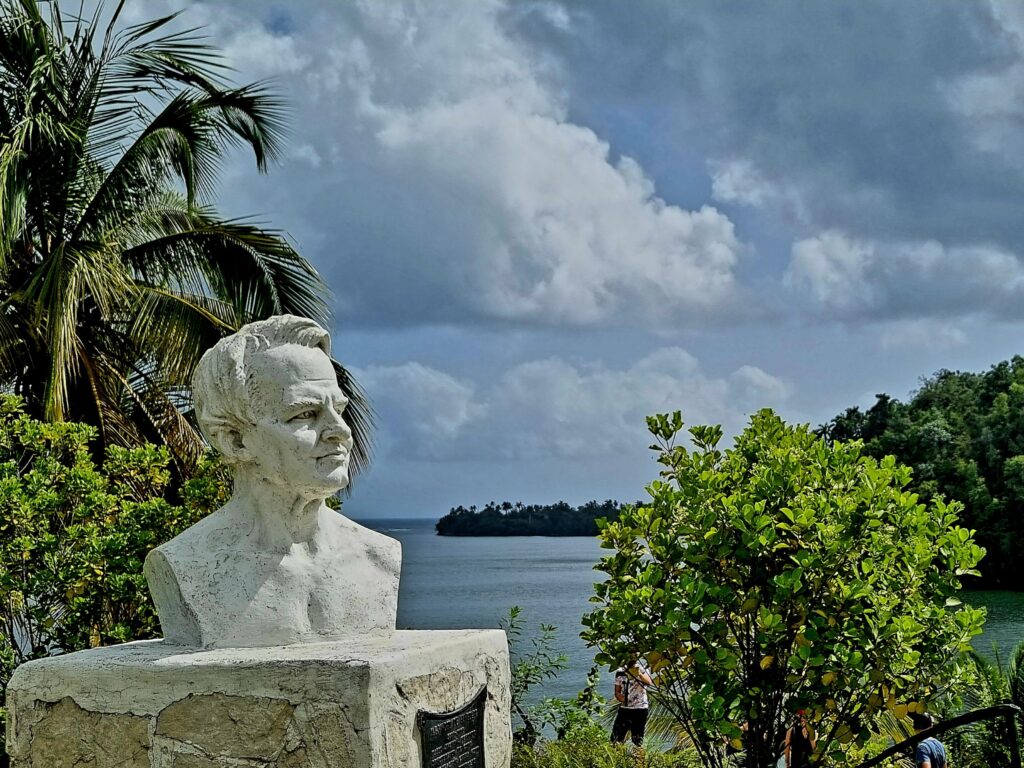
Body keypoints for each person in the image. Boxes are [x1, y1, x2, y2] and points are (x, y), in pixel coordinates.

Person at [145, 315, 401, 648]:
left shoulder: (378, 557)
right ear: (235, 440)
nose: (340, 431)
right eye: (305, 414)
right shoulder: (188, 566)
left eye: (338, 410)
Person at [611, 659, 653, 746]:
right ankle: (617, 753)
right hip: (625, 708)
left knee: (637, 738)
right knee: (616, 737)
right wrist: (622, 699)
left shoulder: (643, 669)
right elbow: (617, 691)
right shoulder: (620, 671)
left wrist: (639, 673)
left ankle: (638, 753)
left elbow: (648, 682)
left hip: (640, 708)